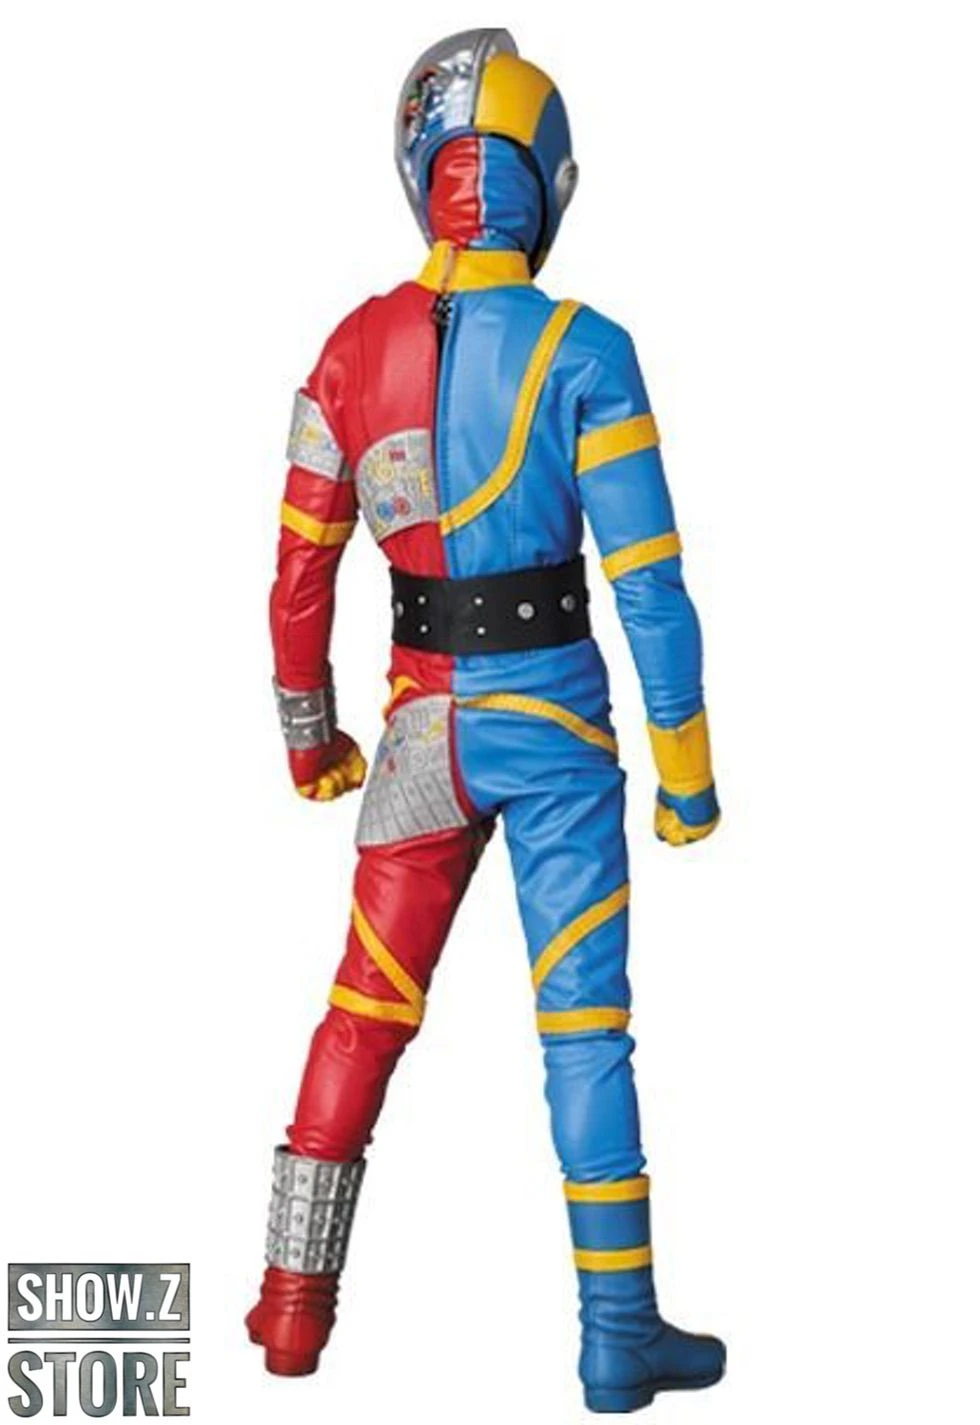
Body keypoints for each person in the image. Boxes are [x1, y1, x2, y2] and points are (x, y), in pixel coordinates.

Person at [247, 28, 725, 1414]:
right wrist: (688, 774)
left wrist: (308, 741)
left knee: (362, 1010)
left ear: (423, 173)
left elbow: (297, 576)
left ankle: (291, 1313)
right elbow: (651, 585)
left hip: (415, 740)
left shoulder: (349, 349)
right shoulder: (590, 351)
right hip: (557, 730)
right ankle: (616, 1340)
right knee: (585, 1029)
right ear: (543, 177)